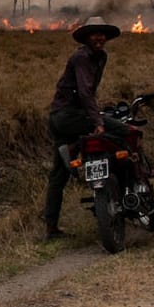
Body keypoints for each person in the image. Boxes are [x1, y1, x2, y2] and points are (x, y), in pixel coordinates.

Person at [42, 15, 124, 239]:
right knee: (123, 132)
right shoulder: (82, 57)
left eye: (102, 33)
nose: (99, 37)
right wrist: (97, 120)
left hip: (62, 116)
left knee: (58, 175)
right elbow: (86, 91)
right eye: (94, 34)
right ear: (86, 37)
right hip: (69, 116)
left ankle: (51, 227)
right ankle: (119, 193)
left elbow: (89, 92)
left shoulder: (101, 57)